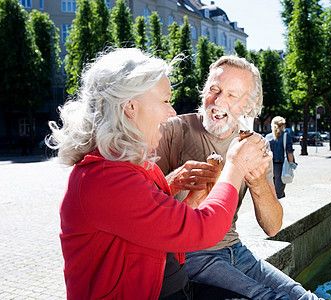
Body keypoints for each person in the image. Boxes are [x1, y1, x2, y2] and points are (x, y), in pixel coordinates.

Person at [47, 48, 273, 299]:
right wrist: (235, 166)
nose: (171, 112)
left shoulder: (131, 165)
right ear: (131, 106)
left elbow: (154, 221)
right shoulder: (104, 178)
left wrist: (182, 195)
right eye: (165, 101)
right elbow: (204, 230)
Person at [156, 56, 321, 299]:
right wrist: (175, 180)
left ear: (249, 106)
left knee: (303, 296)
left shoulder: (255, 145)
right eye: (214, 89)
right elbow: (142, 208)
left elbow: (273, 227)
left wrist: (257, 182)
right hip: (188, 254)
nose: (218, 101)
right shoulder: (171, 130)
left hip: (236, 249)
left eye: (232, 95)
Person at [265, 116, 296, 199]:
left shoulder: (267, 137)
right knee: (279, 192)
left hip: (268, 166)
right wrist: (292, 164)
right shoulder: (286, 135)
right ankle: (279, 209)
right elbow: (289, 152)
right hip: (281, 166)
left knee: (271, 190)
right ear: (282, 125)